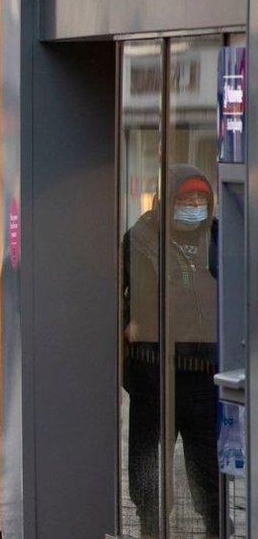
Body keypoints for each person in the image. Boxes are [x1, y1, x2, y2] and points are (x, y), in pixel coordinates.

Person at [122, 164, 219, 537]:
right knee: (147, 461)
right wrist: (129, 328)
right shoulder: (142, 237)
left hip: (203, 372)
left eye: (200, 199)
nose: (194, 205)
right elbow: (116, 296)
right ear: (167, 201)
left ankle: (215, 525)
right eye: (185, 198)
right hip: (154, 373)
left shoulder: (217, 236)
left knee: (208, 465)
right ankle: (151, 526)